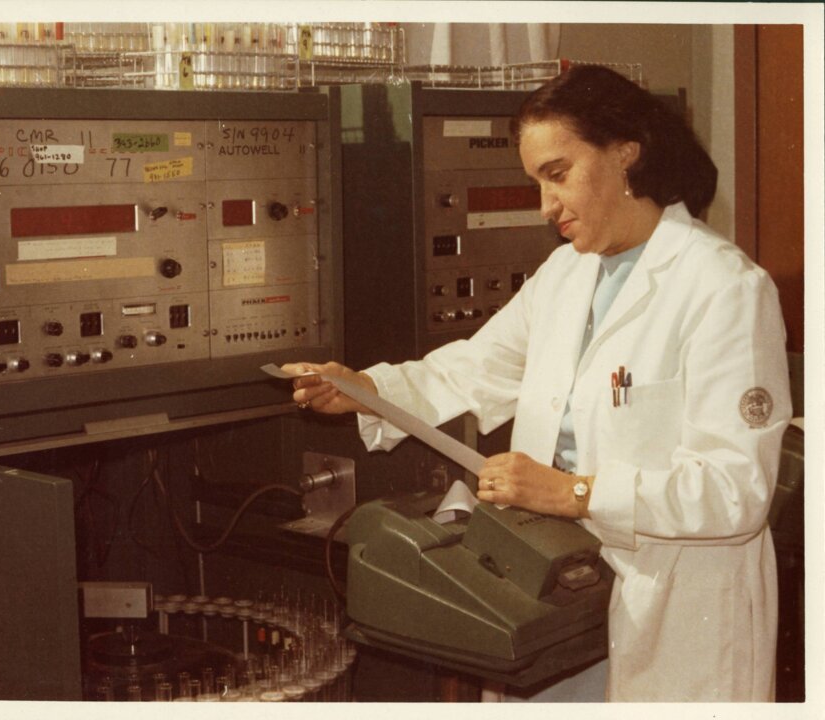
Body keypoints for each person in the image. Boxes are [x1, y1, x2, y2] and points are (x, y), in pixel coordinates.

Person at [283, 64, 791, 702]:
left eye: (558, 174)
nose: (546, 206)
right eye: (537, 182)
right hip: (558, 598)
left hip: (673, 607)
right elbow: (474, 365)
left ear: (626, 153)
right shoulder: (567, 274)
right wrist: (363, 387)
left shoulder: (724, 289)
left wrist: (574, 492)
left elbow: (736, 492)